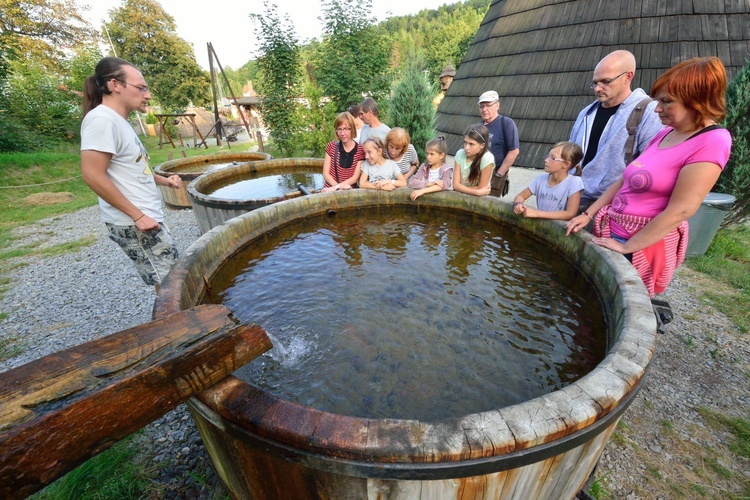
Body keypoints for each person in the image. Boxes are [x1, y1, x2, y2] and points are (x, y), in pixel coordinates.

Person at [566, 57, 732, 306]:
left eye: (666, 102)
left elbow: (682, 209)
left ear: (696, 101)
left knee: (616, 305)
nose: (657, 109)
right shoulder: (666, 133)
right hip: (613, 228)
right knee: (589, 298)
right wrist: (589, 214)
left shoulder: (713, 141)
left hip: (640, 244)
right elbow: (626, 177)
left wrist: (627, 247)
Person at [80, 57, 182, 289]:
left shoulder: (119, 121)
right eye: (141, 88)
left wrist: (164, 181)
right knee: (171, 287)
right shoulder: (102, 120)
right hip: (135, 222)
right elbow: (92, 174)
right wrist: (137, 216)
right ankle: (175, 324)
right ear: (115, 85)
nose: (147, 95)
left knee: (171, 282)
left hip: (144, 218)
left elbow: (132, 168)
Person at [569, 50, 664, 209]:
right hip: (573, 198)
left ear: (628, 77)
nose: (597, 89)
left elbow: (650, 168)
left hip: (613, 206)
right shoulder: (586, 113)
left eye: (606, 81)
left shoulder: (649, 112)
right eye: (595, 82)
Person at [513, 141, 584, 220]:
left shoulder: (574, 182)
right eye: (548, 156)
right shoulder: (540, 179)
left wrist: (537, 213)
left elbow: (570, 213)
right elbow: (521, 196)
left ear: (566, 164)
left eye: (553, 158)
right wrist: (518, 204)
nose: (546, 160)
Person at [478, 90, 520, 198]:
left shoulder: (506, 123)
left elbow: (514, 151)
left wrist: (499, 174)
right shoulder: (479, 126)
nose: (484, 109)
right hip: (478, 170)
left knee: (489, 204)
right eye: (482, 106)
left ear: (497, 105)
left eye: (488, 105)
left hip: (496, 172)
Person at [321, 112, 365, 192]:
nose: (342, 133)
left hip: (348, 191)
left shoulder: (360, 150)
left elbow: (355, 178)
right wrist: (337, 187)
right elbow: (326, 173)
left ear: (352, 129)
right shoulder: (331, 147)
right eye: (339, 129)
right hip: (329, 190)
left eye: (346, 129)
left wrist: (337, 188)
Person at [452, 124, 494, 196]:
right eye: (465, 143)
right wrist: (476, 192)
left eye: (471, 144)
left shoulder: (487, 158)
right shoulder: (460, 154)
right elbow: (455, 185)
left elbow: (482, 188)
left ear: (482, 145)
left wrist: (461, 188)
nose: (466, 147)